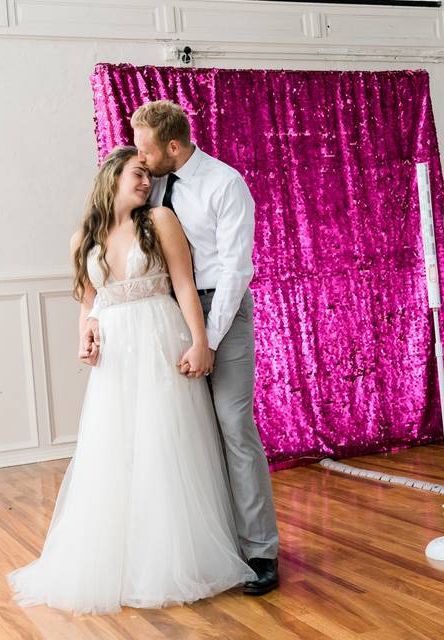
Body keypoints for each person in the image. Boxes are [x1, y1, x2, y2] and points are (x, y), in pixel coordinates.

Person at [8, 146, 255, 615]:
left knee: (167, 446)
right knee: (116, 449)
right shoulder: (84, 235)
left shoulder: (160, 220)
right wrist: (86, 335)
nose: (146, 181)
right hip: (118, 354)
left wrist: (201, 342)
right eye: (137, 173)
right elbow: (88, 300)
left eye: (147, 173)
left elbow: (184, 284)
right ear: (112, 177)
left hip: (161, 339)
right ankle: (121, 560)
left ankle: (175, 557)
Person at [86, 100, 280, 595]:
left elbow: (235, 271)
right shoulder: (155, 186)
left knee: (234, 424)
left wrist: (207, 340)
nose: (142, 165)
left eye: (148, 152)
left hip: (222, 309)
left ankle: (260, 550)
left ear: (173, 146)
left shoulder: (225, 185)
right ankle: (213, 543)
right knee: (183, 430)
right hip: (166, 314)